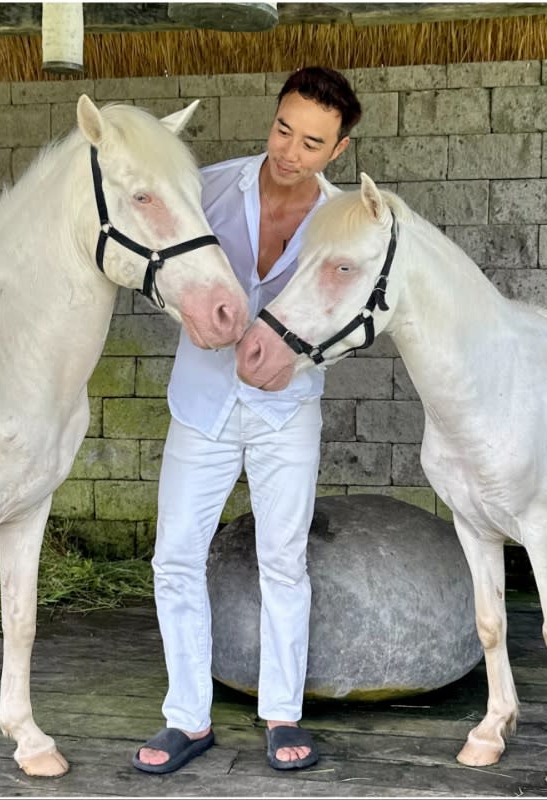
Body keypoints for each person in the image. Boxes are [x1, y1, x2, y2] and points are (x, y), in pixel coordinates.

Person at [132, 67, 361, 775]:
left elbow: (348, 319)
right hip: (202, 403)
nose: (290, 149)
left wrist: (297, 359)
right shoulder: (206, 187)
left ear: (340, 150)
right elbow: (163, 270)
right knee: (174, 557)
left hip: (285, 412)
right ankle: (187, 720)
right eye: (283, 128)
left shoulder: (341, 219)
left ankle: (282, 714)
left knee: (283, 563)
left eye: (312, 141)